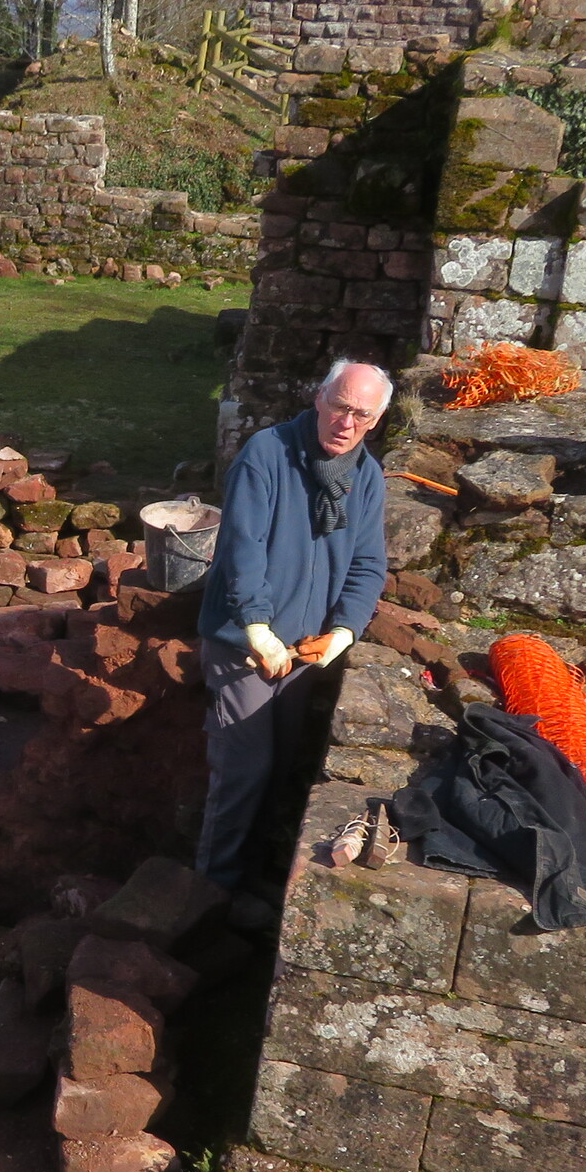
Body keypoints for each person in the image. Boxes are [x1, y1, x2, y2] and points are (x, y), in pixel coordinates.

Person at [194, 359, 391, 887]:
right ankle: (211, 891)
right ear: (319, 398)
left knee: (285, 767)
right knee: (244, 769)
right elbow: (243, 547)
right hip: (244, 646)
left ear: (375, 421)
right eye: (340, 406)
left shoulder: (367, 477)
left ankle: (261, 881)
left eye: (362, 414)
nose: (346, 423)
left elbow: (368, 563)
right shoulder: (267, 453)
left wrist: (344, 630)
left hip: (304, 650)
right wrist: (257, 628)